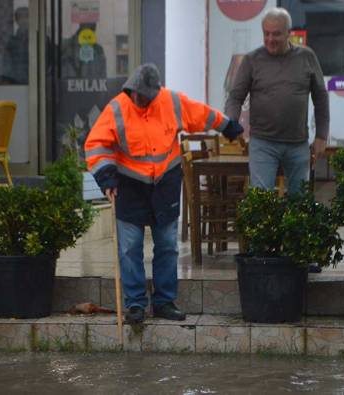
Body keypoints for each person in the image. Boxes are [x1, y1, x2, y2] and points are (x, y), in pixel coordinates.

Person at [85, 64, 243, 324]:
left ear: (156, 92)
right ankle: (135, 304)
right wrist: (106, 176)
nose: (143, 101)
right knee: (129, 248)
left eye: (148, 97)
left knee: (167, 246)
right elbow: (96, 144)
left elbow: (201, 114)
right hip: (130, 184)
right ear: (130, 90)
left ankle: (164, 302)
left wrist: (227, 126)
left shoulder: (172, 101)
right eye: (138, 96)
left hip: (165, 182)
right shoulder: (117, 108)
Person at [224, 7, 329, 195]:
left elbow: (321, 97)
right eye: (266, 34)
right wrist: (232, 123)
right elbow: (235, 97)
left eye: (277, 34)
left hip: (298, 144)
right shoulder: (251, 60)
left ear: (289, 33)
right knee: (261, 202)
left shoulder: (307, 57)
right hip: (263, 143)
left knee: (299, 203)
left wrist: (321, 135)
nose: (270, 39)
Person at [4, 7, 29, 84]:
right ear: (17, 20)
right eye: (21, 17)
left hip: (35, 83)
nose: (24, 20)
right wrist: (7, 81)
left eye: (27, 16)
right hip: (15, 83)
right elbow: (7, 64)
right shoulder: (11, 42)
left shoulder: (39, 40)